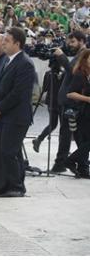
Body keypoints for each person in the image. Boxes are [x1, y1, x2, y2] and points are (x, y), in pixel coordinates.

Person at [0, 27, 36, 197]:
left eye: (7, 41)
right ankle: (15, 184)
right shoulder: (7, 60)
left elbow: (18, 93)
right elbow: (0, 86)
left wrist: (0, 107)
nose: (4, 43)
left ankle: (16, 186)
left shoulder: (24, 63)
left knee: (8, 151)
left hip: (17, 116)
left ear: (17, 43)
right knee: (12, 151)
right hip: (6, 114)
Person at [34, 30, 86, 172]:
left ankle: (63, 163)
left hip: (72, 101)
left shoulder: (84, 54)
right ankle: (77, 164)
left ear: (81, 41)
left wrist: (61, 57)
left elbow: (74, 72)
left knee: (67, 134)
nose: (70, 44)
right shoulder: (79, 55)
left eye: (73, 41)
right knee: (71, 134)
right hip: (68, 99)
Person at [63, 49, 90, 178]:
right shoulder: (80, 74)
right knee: (85, 142)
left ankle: (83, 168)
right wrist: (88, 99)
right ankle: (70, 160)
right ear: (85, 59)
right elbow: (70, 93)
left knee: (84, 142)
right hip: (83, 113)